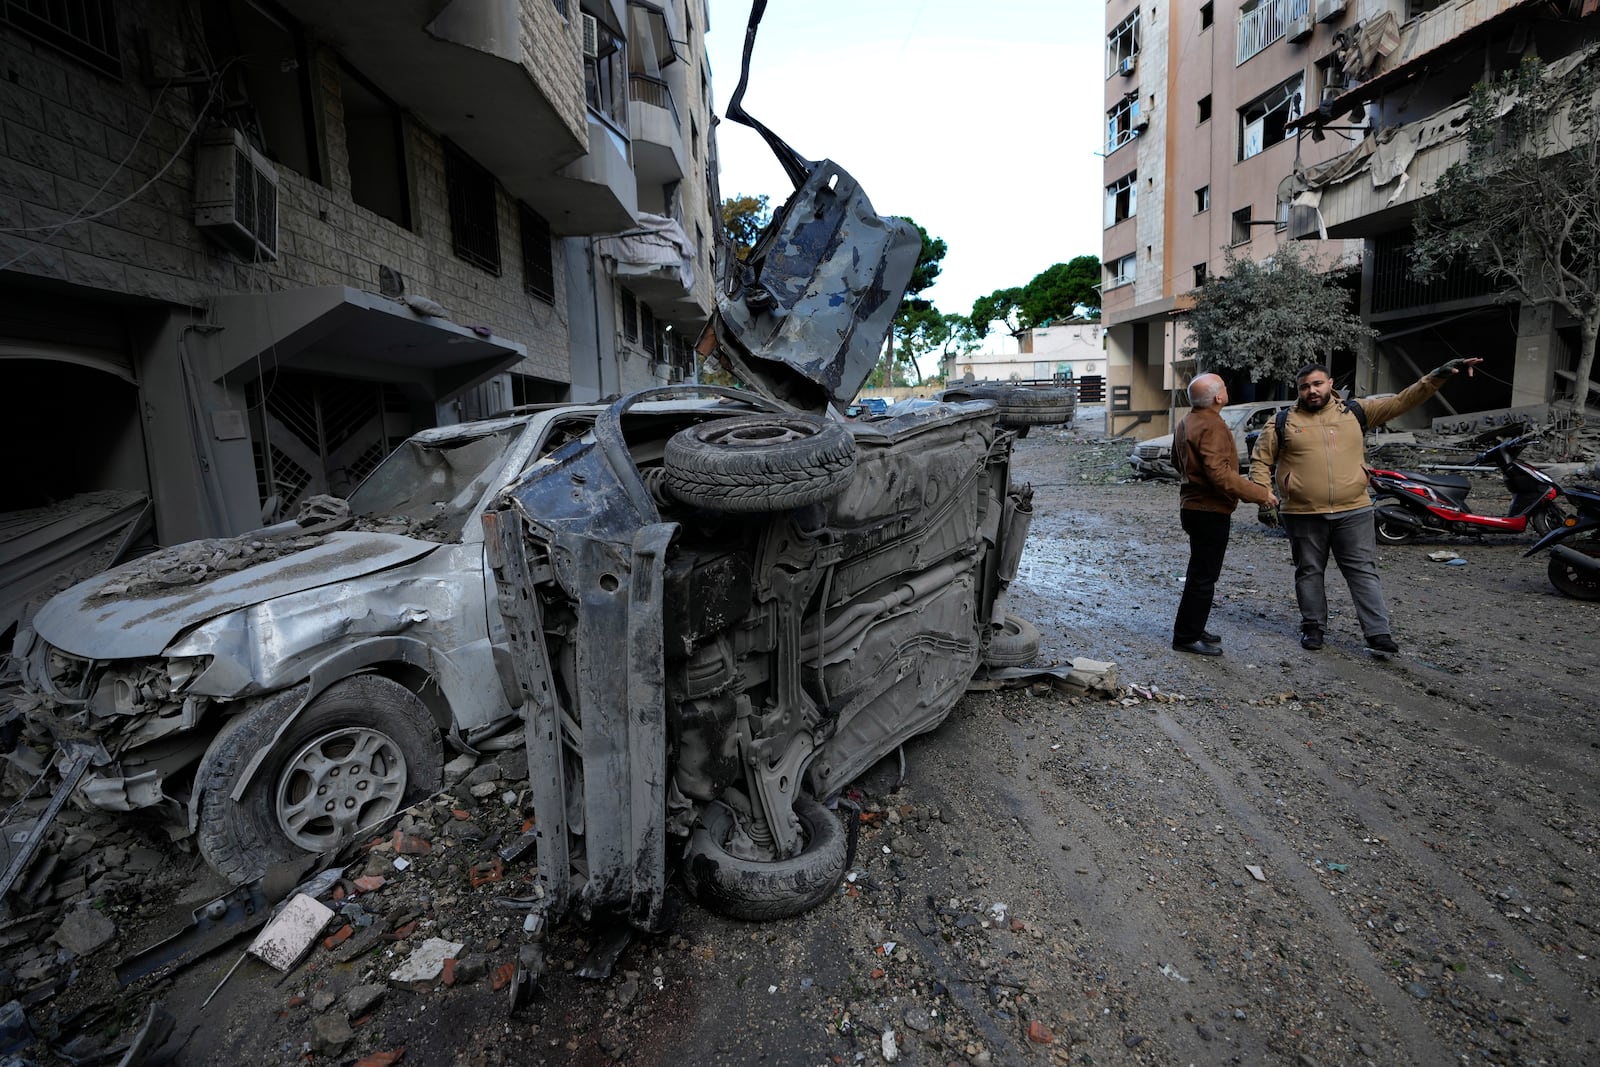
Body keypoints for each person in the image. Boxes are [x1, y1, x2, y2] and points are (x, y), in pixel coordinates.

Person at [1249, 358, 1482, 655]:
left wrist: (1435, 376)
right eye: (1304, 387)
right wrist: (1262, 497)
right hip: (1303, 513)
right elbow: (1261, 461)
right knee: (1309, 571)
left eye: (1317, 384)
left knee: (1362, 571)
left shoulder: (1356, 411)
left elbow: (1402, 401)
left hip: (1354, 510)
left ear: (1331, 384)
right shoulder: (1282, 420)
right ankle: (1313, 628)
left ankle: (1377, 633)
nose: (1311, 391)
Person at [1170, 373, 1278, 656]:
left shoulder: (1186, 421)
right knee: (1204, 576)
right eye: (1224, 388)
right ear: (1219, 397)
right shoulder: (1212, 425)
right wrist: (1260, 494)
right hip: (1209, 510)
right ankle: (1186, 636)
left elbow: (1175, 461)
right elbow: (1220, 475)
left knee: (1200, 574)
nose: (1227, 390)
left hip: (1193, 507)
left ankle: (1194, 627)